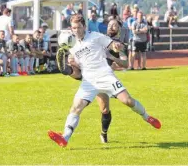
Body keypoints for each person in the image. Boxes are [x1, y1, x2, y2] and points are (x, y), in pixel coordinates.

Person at [48, 14, 161, 147]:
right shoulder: (72, 45)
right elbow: (79, 69)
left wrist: (116, 46)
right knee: (76, 108)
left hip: (105, 75)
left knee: (127, 101)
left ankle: (147, 117)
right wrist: (69, 66)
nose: (76, 30)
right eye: (73, 28)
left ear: (84, 26)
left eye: (78, 27)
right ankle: (65, 138)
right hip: (88, 80)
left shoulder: (96, 36)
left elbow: (112, 44)